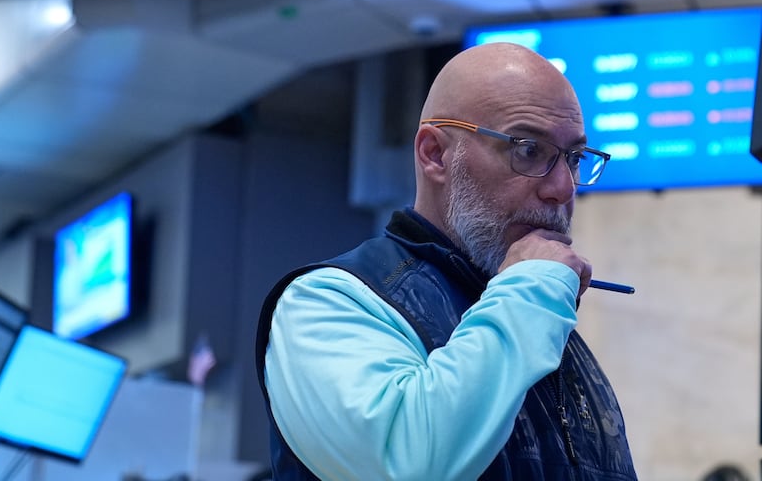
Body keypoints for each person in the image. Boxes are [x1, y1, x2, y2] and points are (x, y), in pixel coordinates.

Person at [254, 42, 637, 480]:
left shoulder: (534, 316)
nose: (564, 189)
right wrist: (532, 287)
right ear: (435, 154)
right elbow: (406, 464)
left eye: (573, 159)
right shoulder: (327, 301)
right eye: (529, 150)